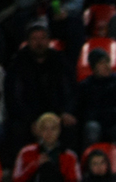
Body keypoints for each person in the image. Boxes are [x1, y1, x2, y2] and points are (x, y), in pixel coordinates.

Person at [6, 19, 77, 151]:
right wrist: (30, 120)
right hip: (28, 116)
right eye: (35, 39)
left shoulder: (60, 60)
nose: (39, 42)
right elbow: (14, 98)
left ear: (49, 40)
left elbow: (70, 91)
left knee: (70, 126)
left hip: (56, 113)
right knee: (17, 128)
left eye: (43, 38)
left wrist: (65, 112)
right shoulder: (18, 63)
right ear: (28, 41)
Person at [71, 47, 116, 147]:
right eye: (101, 63)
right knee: (92, 128)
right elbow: (80, 111)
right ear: (93, 67)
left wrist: (114, 114)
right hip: (96, 125)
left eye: (107, 62)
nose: (106, 66)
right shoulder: (85, 87)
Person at [11, 112, 80, 182]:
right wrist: (35, 165)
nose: (49, 133)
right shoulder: (26, 152)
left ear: (59, 131)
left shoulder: (69, 156)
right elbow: (16, 180)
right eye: (45, 129)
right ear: (38, 131)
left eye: (53, 128)